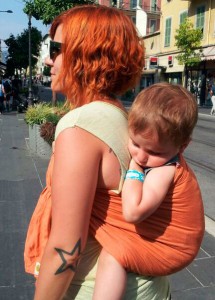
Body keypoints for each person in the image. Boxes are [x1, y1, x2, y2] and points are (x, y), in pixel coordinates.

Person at [24, 5, 171, 300]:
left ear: (86, 55)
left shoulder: (79, 126)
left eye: (56, 50)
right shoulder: (119, 115)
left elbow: (66, 248)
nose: (47, 60)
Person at [92, 83, 205, 300]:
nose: (142, 156)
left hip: (171, 250)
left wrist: (134, 168)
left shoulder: (165, 170)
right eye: (135, 143)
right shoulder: (159, 157)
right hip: (174, 245)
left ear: (182, 147)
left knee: (113, 254)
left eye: (153, 151)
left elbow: (133, 212)